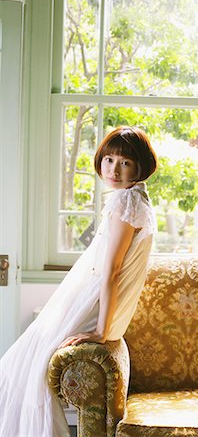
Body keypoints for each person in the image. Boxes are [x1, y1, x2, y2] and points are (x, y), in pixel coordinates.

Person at [0, 126, 158, 437]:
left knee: (22, 369)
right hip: (87, 295)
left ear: (140, 166)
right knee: (21, 365)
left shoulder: (126, 204)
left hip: (91, 300)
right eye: (109, 159)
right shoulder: (134, 199)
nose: (114, 168)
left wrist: (101, 331)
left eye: (125, 162)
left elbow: (113, 271)